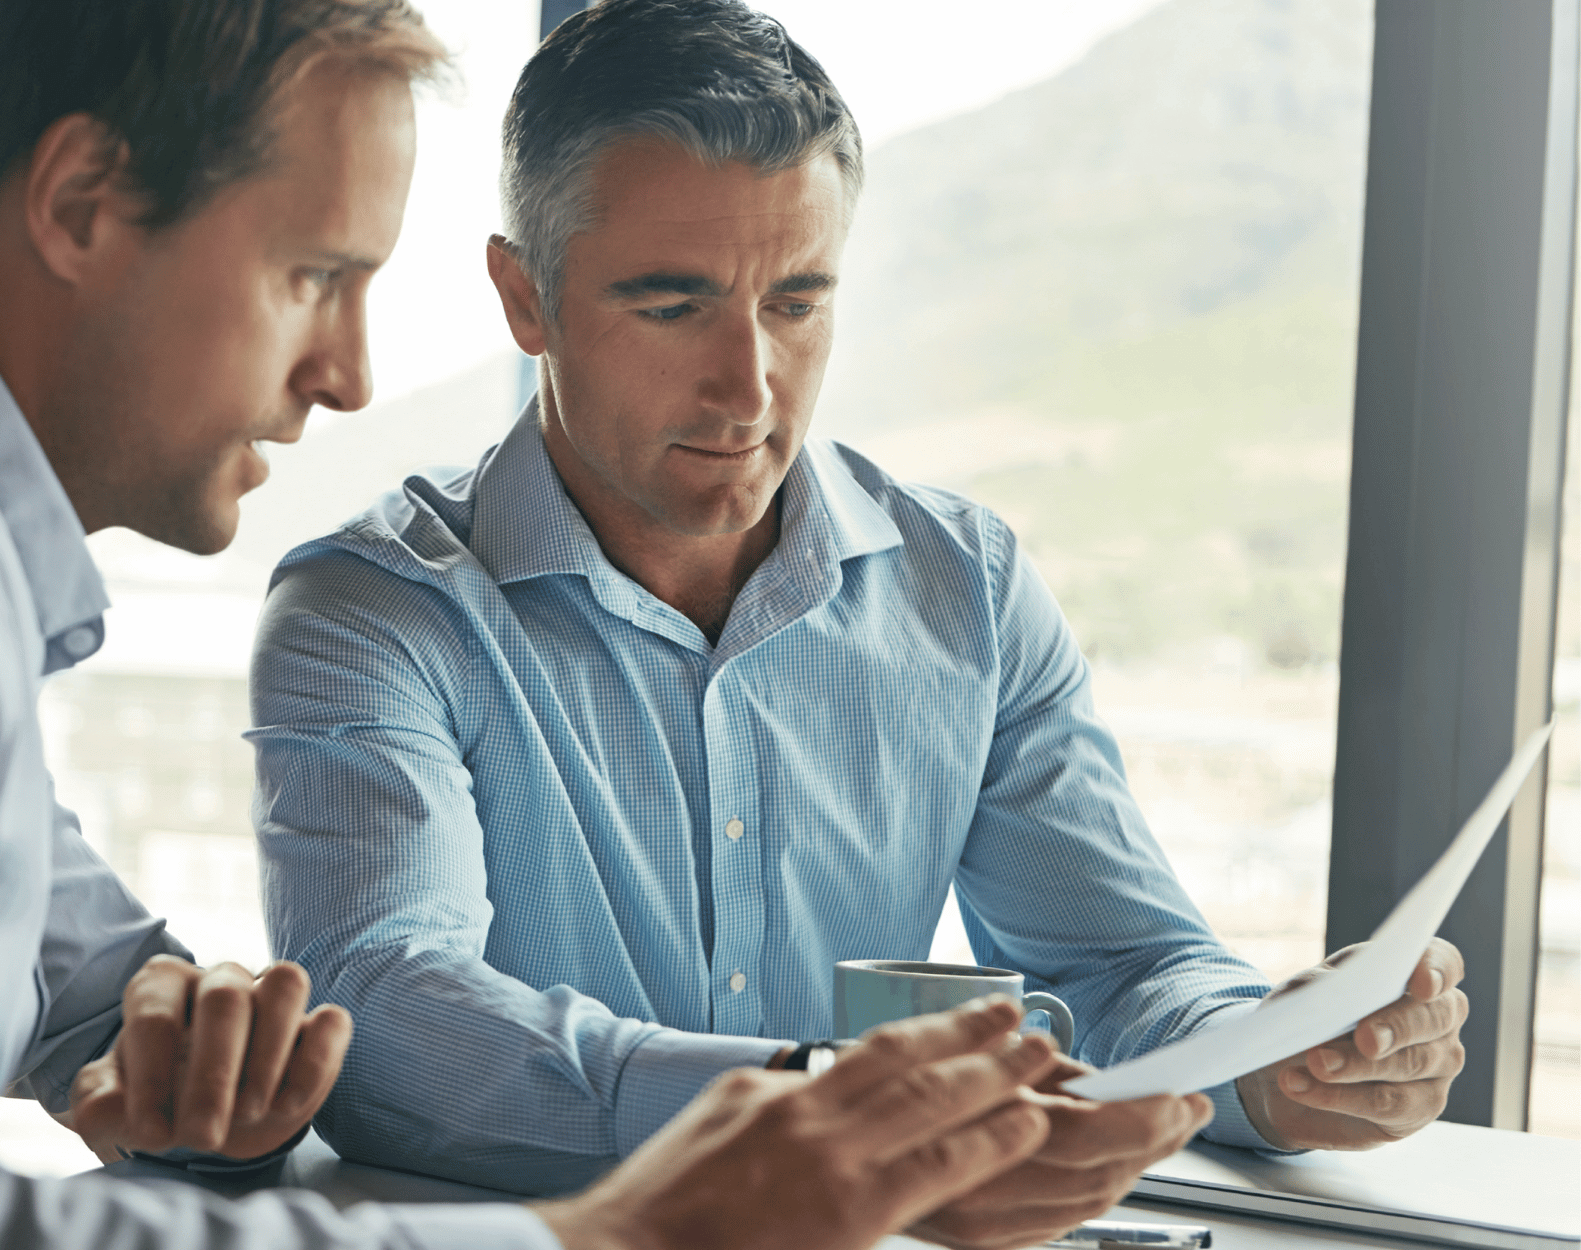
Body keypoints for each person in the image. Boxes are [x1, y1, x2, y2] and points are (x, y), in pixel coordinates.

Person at [0, 1, 1115, 1248]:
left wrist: (201, 1067)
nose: (345, 372)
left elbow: (100, 995)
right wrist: (625, 1231)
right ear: (81, 202)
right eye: (312, 275)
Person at [250, 0, 1472, 1237]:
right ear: (526, 297)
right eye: (670, 307)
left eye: (795, 301)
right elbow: (387, 1011)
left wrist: (1274, 1055)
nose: (749, 384)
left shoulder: (968, 589)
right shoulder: (372, 612)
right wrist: (808, 1107)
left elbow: (1120, 966)